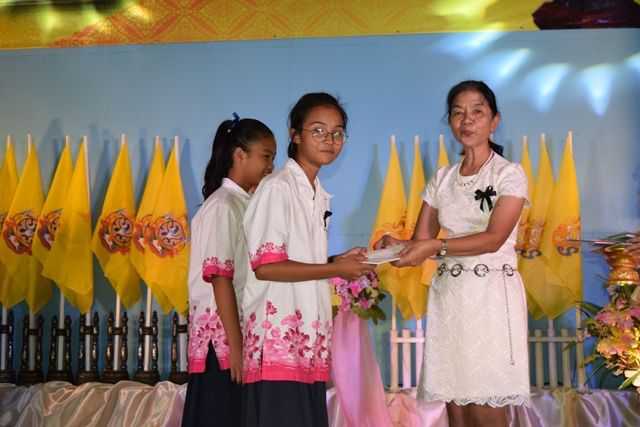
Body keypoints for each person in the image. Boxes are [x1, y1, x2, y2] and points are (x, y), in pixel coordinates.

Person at [376, 81, 530, 427]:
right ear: (449, 121)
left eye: (477, 111)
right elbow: (421, 241)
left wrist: (434, 247)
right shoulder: (442, 179)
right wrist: (394, 247)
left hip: (491, 299)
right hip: (450, 298)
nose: (467, 120)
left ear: (495, 121)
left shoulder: (509, 174)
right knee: (457, 408)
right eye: (458, 112)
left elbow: (493, 239)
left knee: (484, 404)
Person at [241, 92, 375, 427]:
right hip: (278, 340)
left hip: (307, 339)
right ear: (295, 134)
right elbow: (266, 266)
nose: (330, 140)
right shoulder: (277, 188)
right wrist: (335, 268)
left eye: (337, 133)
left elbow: (295, 258)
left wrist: (336, 259)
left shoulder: (317, 193)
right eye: (318, 130)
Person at [182, 115, 276, 427]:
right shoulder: (223, 205)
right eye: (266, 156)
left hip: (239, 335)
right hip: (222, 343)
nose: (270, 166)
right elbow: (220, 277)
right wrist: (235, 347)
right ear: (239, 155)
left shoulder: (244, 204)